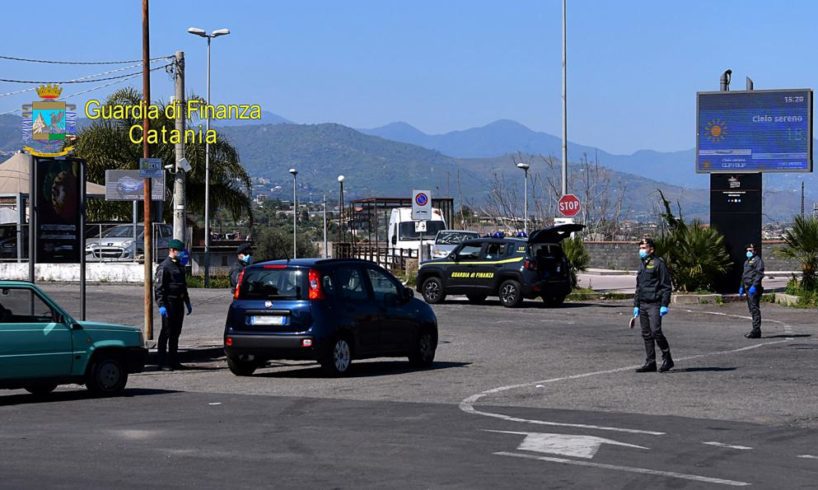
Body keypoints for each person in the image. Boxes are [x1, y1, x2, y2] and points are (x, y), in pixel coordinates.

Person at [633, 237, 674, 373]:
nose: (641, 250)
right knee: (646, 334)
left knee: (656, 331)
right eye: (640, 248)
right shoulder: (642, 264)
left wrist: (664, 304)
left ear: (652, 249)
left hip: (655, 304)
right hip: (643, 303)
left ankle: (667, 358)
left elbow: (666, 286)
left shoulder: (658, 264)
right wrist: (636, 305)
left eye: (644, 248)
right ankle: (650, 362)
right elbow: (639, 287)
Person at [154, 239, 192, 371]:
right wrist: (161, 305)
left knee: (176, 332)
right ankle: (162, 361)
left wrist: (187, 302)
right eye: (180, 251)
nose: (182, 254)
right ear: (172, 251)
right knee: (166, 332)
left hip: (178, 303)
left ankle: (174, 360)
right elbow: (159, 288)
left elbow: (183, 286)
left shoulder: (179, 266)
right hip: (169, 303)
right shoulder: (164, 266)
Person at [739, 243, 764, 339]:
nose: (748, 252)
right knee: (751, 309)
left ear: (755, 251)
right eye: (747, 250)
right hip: (746, 287)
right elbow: (744, 275)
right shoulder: (746, 262)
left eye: (751, 250)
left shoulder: (758, 261)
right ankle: (756, 330)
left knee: (754, 309)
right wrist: (741, 286)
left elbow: (759, 274)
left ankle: (756, 330)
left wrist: (754, 286)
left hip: (753, 288)